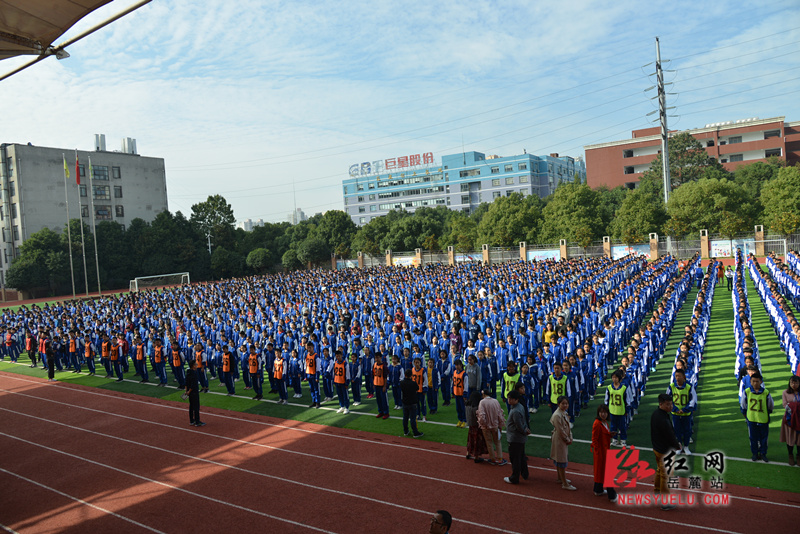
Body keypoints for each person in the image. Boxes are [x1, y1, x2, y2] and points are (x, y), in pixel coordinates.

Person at [651, 393, 680, 510]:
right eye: (668, 404)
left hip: (656, 448)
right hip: (664, 450)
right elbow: (670, 435)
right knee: (666, 476)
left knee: (659, 471)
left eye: (671, 404)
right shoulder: (663, 418)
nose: (671, 406)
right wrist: (677, 445)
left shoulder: (656, 414)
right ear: (661, 404)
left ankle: (657, 492)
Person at [740, 372, 774, 462]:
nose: (755, 383)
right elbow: (743, 404)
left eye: (757, 381)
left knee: (764, 438)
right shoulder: (747, 392)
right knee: (753, 438)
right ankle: (755, 453)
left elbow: (771, 405)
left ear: (761, 382)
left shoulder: (766, 393)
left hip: (763, 419)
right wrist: (745, 414)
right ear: (750, 382)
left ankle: (763, 453)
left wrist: (767, 413)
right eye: (753, 381)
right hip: (752, 418)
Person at [591, 404, 618, 502]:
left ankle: (598, 489)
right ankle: (612, 495)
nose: (603, 414)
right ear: (598, 413)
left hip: (605, 451)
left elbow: (603, 435)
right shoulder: (597, 423)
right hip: (601, 452)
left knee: (600, 472)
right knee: (607, 472)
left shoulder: (605, 423)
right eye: (601, 412)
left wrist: (610, 435)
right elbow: (594, 439)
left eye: (605, 412)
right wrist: (598, 452)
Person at [504, 390, 531, 485]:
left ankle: (514, 478)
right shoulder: (520, 406)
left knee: (515, 459)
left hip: (515, 438)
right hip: (520, 438)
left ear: (516, 399)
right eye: (508, 398)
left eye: (511, 399)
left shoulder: (515, 411)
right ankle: (525, 473)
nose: (509, 400)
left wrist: (524, 431)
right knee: (522, 457)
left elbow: (518, 425)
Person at [667, 368, 696, 454]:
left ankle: (686, 447)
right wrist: (675, 409)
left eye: (679, 376)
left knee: (687, 430)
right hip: (675, 413)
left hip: (686, 414)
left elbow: (693, 400)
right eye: (676, 376)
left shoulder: (689, 387)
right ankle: (679, 446)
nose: (677, 378)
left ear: (684, 377)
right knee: (677, 430)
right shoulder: (671, 387)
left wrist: (684, 409)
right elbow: (668, 399)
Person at [550, 395, 574, 490]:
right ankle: (564, 483)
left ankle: (560, 478)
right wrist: (568, 439)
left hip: (563, 439)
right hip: (560, 440)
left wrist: (570, 437)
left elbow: (568, 428)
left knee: (560, 459)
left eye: (566, 403)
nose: (565, 405)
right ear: (558, 404)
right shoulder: (557, 415)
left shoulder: (563, 412)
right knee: (561, 461)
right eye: (563, 403)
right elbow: (560, 431)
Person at [477, 389, 506, 465]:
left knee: (489, 442)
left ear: (483, 395)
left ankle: (492, 459)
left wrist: (484, 424)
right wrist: (500, 424)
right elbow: (500, 414)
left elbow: (482, 415)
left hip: (486, 427)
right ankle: (500, 459)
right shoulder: (495, 401)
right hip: (495, 425)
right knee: (497, 442)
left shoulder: (482, 402)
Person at [781, 376, 800, 466]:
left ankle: (799, 456)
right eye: (792, 382)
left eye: (796, 383)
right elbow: (785, 405)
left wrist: (794, 405)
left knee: (799, 439)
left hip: (799, 419)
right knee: (790, 438)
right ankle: (790, 455)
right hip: (790, 419)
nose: (794, 385)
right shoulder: (785, 392)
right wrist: (796, 406)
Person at [465, 390, 488, 463]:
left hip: (471, 426)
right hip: (477, 427)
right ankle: (476, 457)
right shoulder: (477, 407)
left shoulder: (467, 405)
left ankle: (468, 453)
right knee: (477, 442)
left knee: (470, 440)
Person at [401, 367, 423, 438]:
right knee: (413, 418)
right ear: (411, 375)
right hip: (412, 403)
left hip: (405, 402)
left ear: (405, 375)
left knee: (405, 418)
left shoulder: (402, 383)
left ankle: (405, 431)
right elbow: (417, 388)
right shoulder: (413, 383)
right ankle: (415, 432)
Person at [185, 359, 204, 427]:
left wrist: (186, 391)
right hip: (194, 392)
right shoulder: (194, 373)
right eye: (196, 364)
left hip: (190, 393)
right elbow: (193, 384)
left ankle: (191, 420)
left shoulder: (188, 372)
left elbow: (186, 383)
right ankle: (197, 421)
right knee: (196, 407)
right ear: (193, 366)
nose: (196, 365)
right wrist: (189, 391)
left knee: (191, 406)